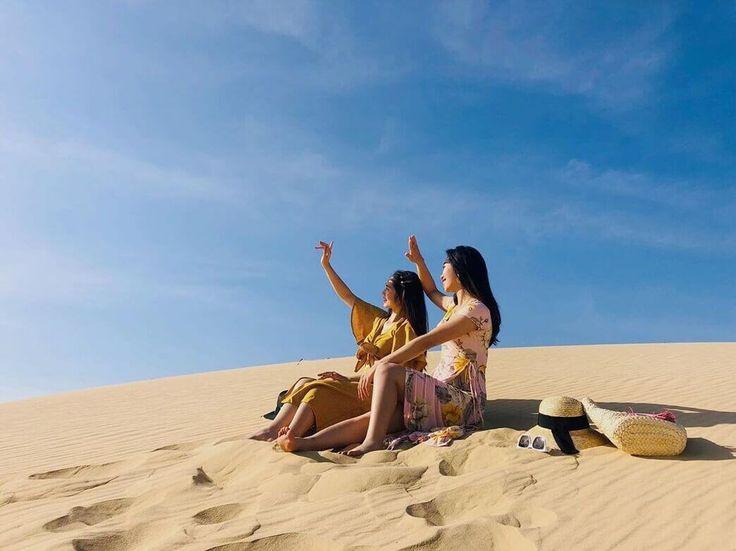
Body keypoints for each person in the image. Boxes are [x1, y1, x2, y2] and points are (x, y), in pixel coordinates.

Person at [278, 235, 501, 456]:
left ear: (460, 270)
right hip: (441, 393)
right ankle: (304, 443)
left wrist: (379, 364)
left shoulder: (476, 310)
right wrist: (419, 261)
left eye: (445, 266)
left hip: (463, 401)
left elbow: (427, 341)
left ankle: (372, 443)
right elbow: (431, 290)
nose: (441, 273)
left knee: (387, 370)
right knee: (377, 418)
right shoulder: (455, 306)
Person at [248, 240, 428, 441]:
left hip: (379, 395)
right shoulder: (379, 321)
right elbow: (348, 296)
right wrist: (326, 265)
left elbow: (396, 376)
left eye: (388, 288)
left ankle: (293, 436)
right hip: (363, 386)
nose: (383, 292)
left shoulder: (405, 329)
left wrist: (348, 380)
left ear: (402, 294)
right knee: (305, 382)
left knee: (319, 390)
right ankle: (273, 429)